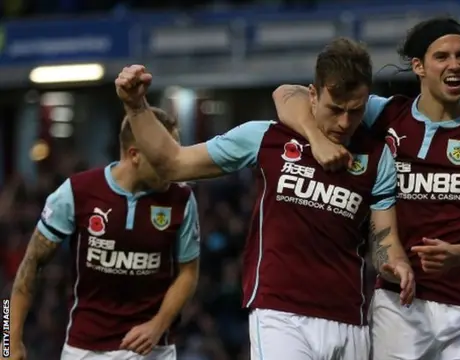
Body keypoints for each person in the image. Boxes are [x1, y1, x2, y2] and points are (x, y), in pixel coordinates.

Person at [114, 37, 415, 360]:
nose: (344, 122)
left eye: (355, 111)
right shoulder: (266, 138)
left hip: (349, 318)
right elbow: (173, 162)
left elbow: (384, 238)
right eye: (335, 109)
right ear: (312, 95)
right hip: (280, 314)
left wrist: (394, 264)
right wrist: (136, 107)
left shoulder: (377, 157)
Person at [272, 17, 460, 360]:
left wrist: (459, 255)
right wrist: (315, 138)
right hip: (398, 305)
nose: (455, 65)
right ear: (418, 66)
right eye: (442, 57)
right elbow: (287, 94)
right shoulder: (384, 114)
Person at [8, 110, 201, 360]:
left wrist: (158, 324)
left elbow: (189, 273)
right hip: (85, 350)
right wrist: (6, 341)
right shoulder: (77, 193)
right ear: (134, 155)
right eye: (165, 155)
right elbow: (28, 267)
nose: (174, 164)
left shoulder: (182, 199)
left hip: (155, 350)